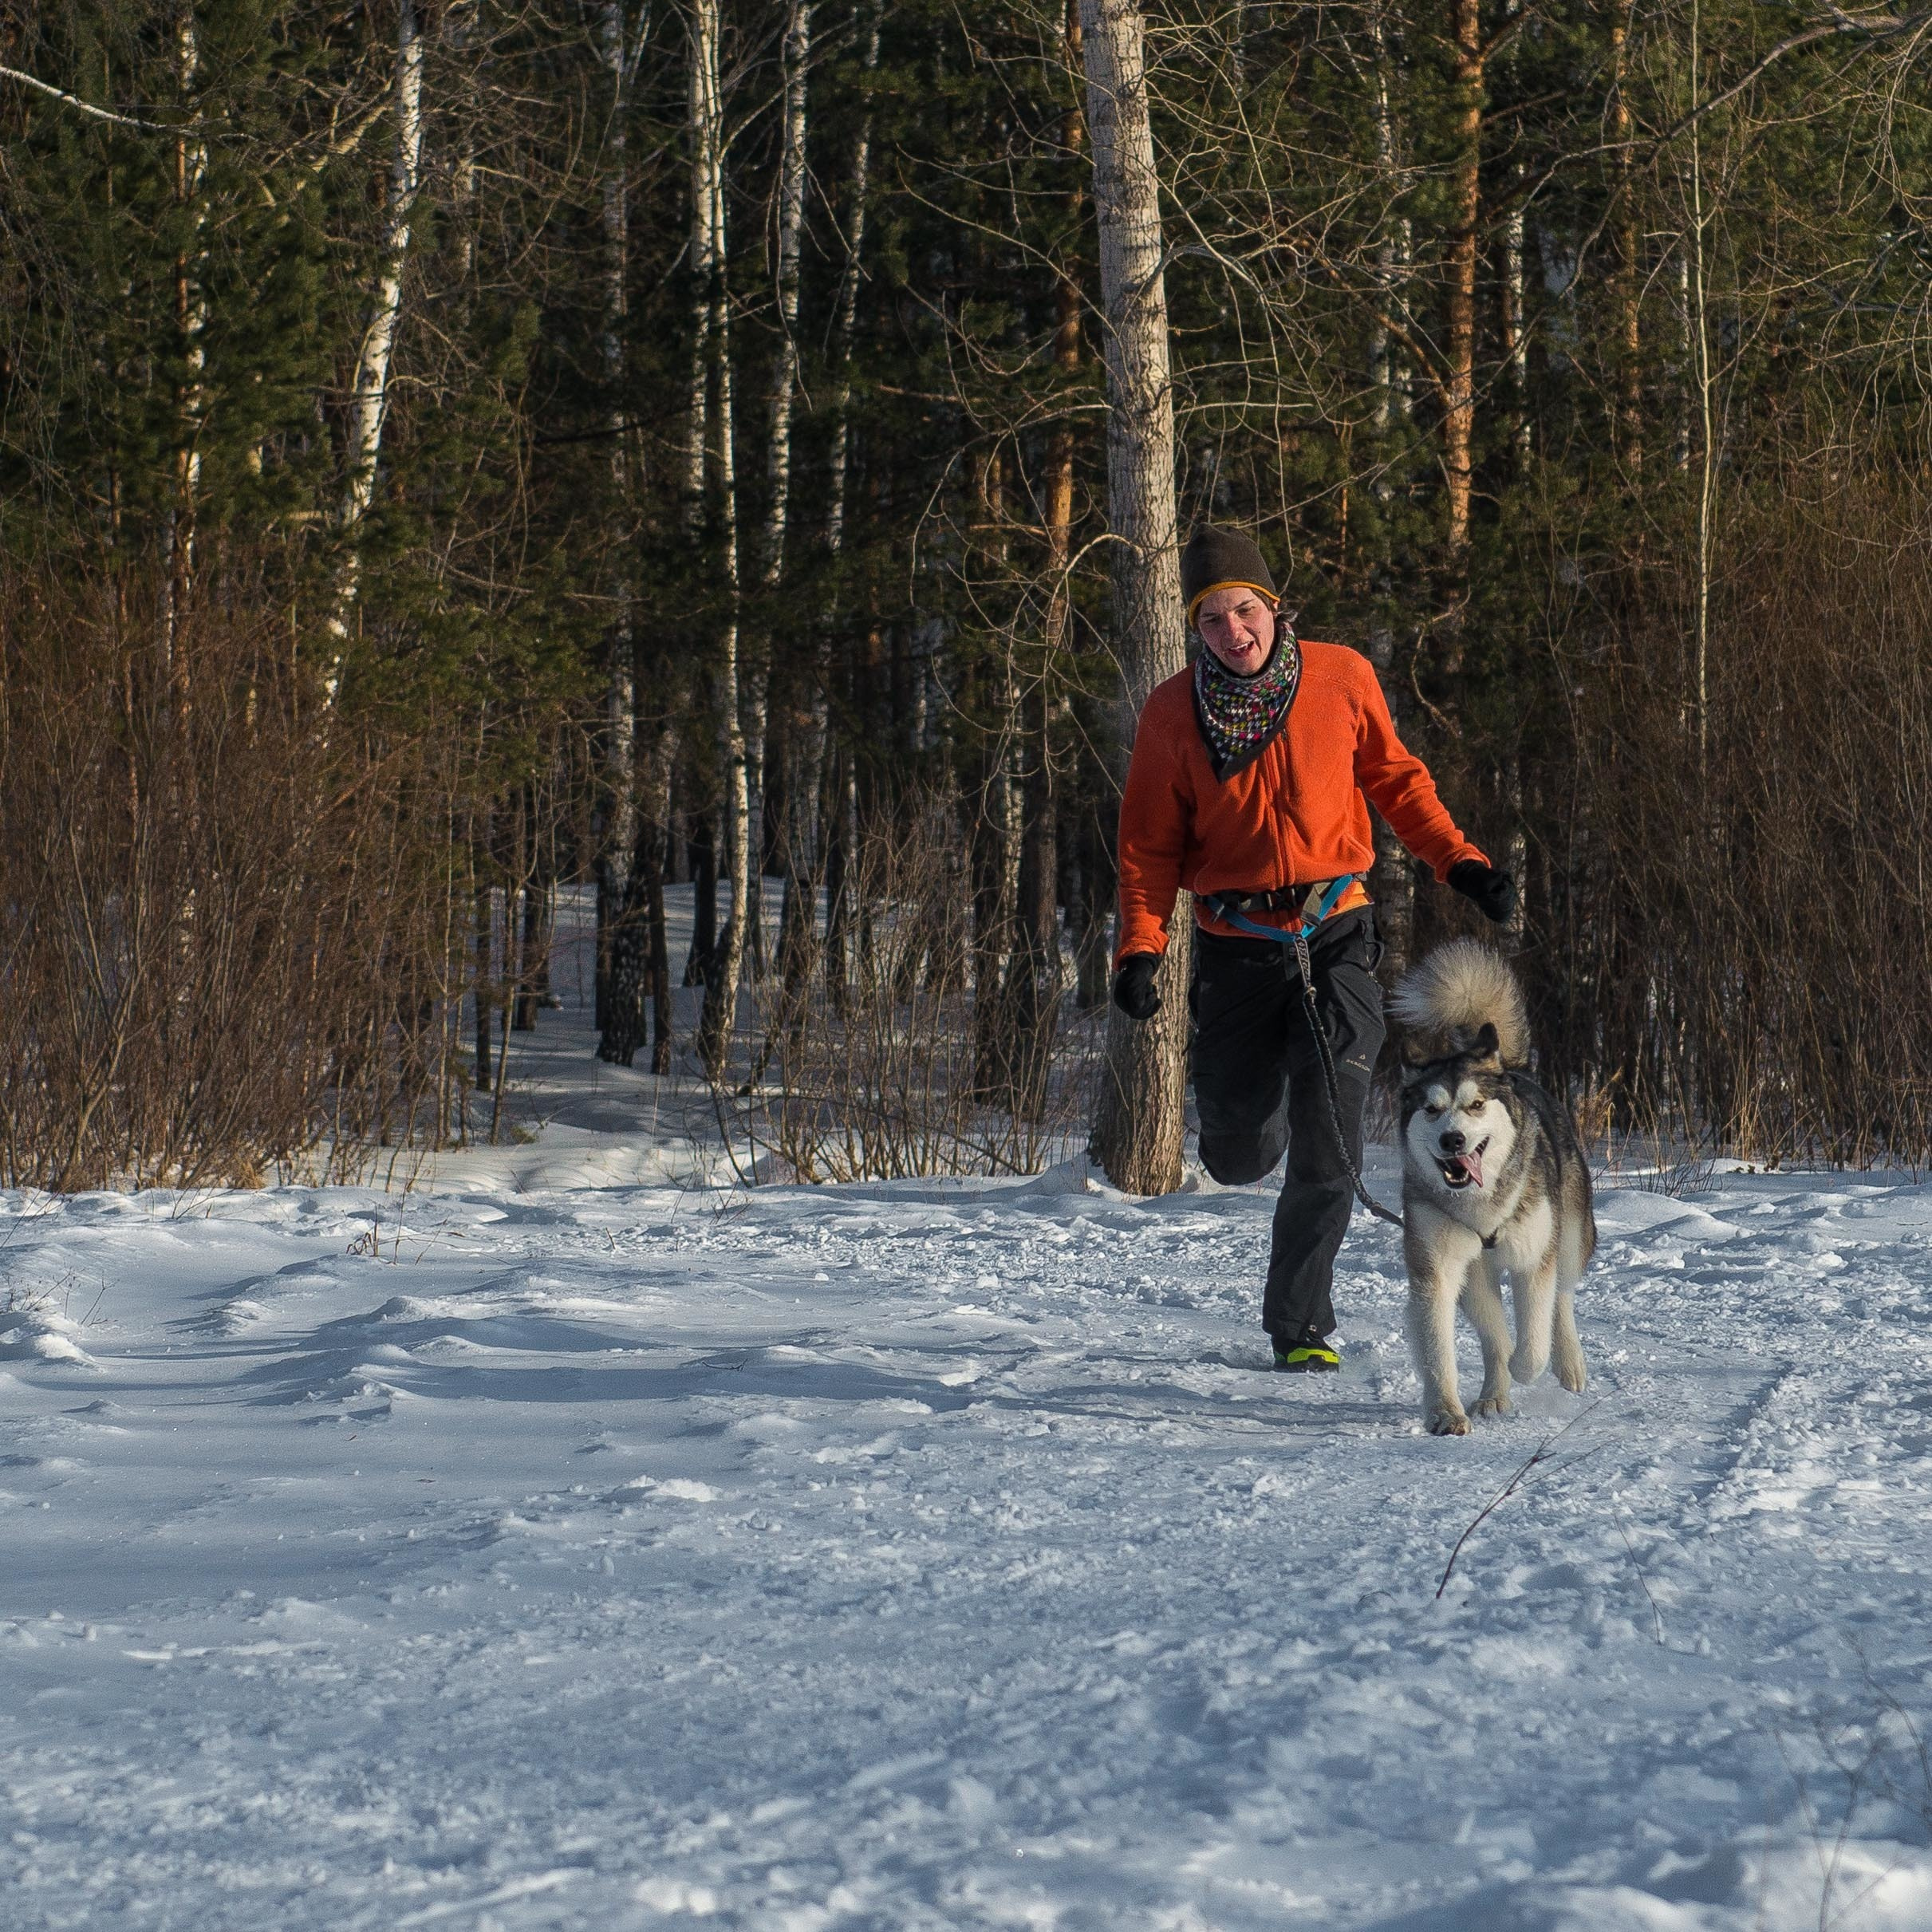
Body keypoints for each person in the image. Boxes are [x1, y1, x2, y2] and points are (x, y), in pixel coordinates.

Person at [1111, 525, 1515, 1371]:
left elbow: (1397, 781)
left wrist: (1461, 861)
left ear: (1273, 607)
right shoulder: (1170, 713)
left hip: (1336, 933)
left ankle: (1299, 1328)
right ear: (1196, 630)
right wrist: (1139, 950)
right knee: (1236, 1149)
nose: (1235, 632)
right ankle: (1240, 1133)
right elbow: (1147, 846)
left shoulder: (1340, 677)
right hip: (1235, 947)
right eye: (1213, 619)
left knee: (1327, 1144)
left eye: (1246, 610)